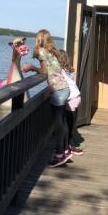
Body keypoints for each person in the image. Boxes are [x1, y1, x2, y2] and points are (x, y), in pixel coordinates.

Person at [22, 29, 71, 167]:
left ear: (39, 39)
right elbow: (50, 70)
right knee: (62, 122)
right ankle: (65, 151)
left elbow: (44, 72)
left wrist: (32, 67)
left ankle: (60, 155)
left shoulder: (41, 51)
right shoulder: (52, 52)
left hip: (58, 90)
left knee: (58, 123)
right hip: (64, 88)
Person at [58, 50, 83, 155]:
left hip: (71, 98)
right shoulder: (70, 69)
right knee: (71, 122)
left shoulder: (60, 70)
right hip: (77, 96)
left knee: (67, 124)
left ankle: (70, 146)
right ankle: (71, 145)